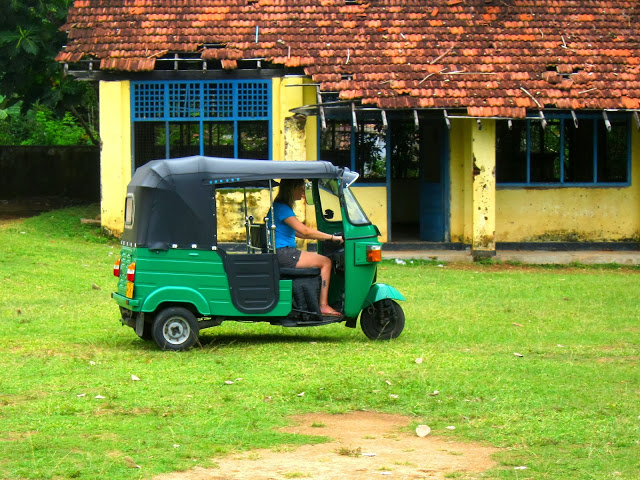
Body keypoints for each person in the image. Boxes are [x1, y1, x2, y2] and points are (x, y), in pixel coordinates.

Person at [269, 179, 343, 317]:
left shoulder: (279, 207)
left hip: (281, 252)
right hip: (284, 253)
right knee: (326, 262)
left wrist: (320, 236)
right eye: (301, 189)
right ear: (291, 189)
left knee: (321, 260)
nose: (303, 193)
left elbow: (296, 232)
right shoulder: (282, 208)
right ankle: (323, 306)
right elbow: (304, 231)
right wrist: (333, 238)